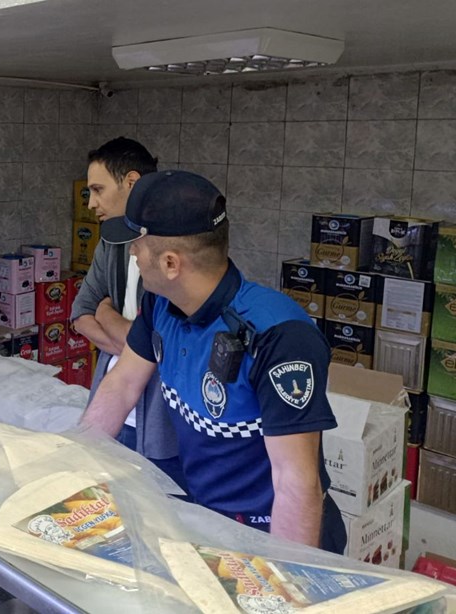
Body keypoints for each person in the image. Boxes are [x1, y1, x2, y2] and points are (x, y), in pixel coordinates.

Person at [79, 170, 346, 554]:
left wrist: (288, 577)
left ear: (171, 264)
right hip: (208, 526)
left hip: (275, 538)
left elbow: (296, 481)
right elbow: (121, 386)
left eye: (137, 245)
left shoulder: (279, 336)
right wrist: (70, 470)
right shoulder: (162, 306)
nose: (133, 255)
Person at [69, 138, 184, 493]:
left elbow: (158, 341)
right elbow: (80, 312)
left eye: (98, 190)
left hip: (162, 422)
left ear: (131, 183)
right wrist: (131, 342)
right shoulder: (112, 240)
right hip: (113, 406)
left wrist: (108, 314)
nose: (92, 204)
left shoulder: (178, 248)